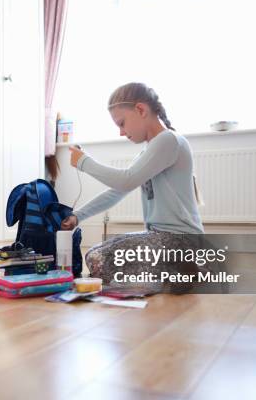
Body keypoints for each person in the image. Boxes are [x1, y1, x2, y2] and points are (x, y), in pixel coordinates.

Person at [61, 82, 208, 293]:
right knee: (95, 255)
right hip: (160, 237)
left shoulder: (169, 140)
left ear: (140, 110)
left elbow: (126, 180)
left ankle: (182, 268)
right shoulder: (151, 150)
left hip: (181, 240)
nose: (121, 132)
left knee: (98, 259)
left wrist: (84, 162)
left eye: (122, 123)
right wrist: (78, 216)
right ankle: (174, 272)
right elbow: (118, 191)